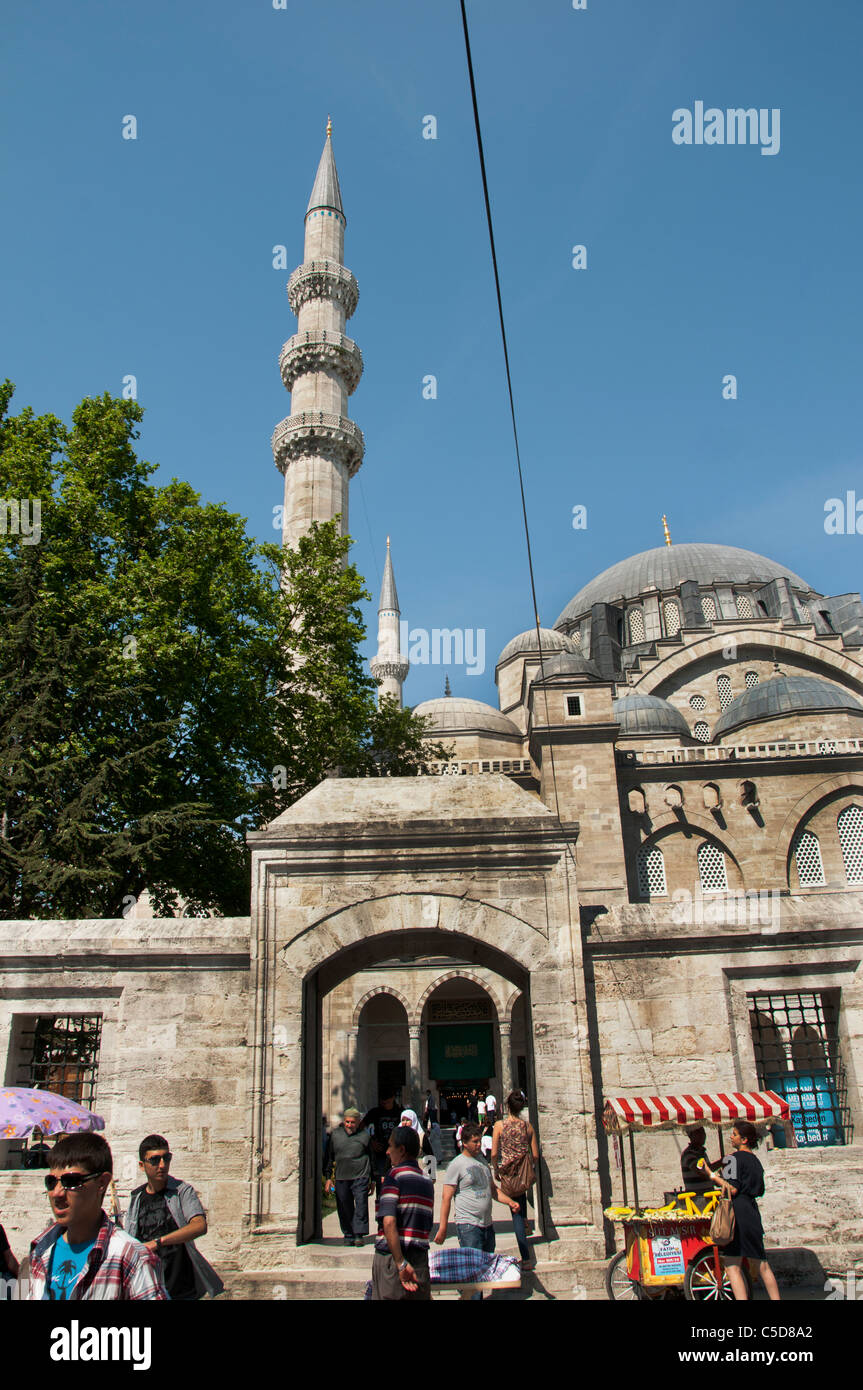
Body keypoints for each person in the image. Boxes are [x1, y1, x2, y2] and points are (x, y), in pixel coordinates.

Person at [28, 1133, 166, 1300]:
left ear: (101, 1183)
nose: (57, 1193)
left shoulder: (130, 1257)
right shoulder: (41, 1249)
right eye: (51, 1182)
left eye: (71, 1181)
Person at [125, 1134, 224, 1300]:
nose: (162, 1165)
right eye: (155, 1160)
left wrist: (159, 1242)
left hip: (181, 1287)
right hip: (147, 1287)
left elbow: (199, 1225)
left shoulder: (182, 1191)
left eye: (166, 1158)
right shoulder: (137, 1198)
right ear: (142, 1166)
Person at [703, 1121, 781, 1301]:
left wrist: (711, 1175)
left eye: (735, 1134)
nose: (731, 1137)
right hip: (752, 1212)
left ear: (744, 1139)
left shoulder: (733, 1159)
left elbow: (732, 1188)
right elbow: (760, 1190)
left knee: (732, 1266)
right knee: (762, 1264)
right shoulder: (756, 1161)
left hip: (737, 1213)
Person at [434, 1122, 519, 1258]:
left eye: (479, 1140)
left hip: (487, 1225)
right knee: (474, 1268)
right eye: (475, 1141)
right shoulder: (456, 1164)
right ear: (465, 1143)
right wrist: (443, 1227)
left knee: (487, 1267)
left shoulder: (483, 1162)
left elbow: (493, 1190)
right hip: (468, 1226)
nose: (479, 1144)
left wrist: (510, 1202)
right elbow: (446, 1198)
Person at [370, 1125, 435, 1301]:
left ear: (402, 1150)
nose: (387, 1152)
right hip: (419, 1261)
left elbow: (389, 1222)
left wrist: (400, 1263)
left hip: (393, 1259)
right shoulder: (427, 1181)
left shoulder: (394, 1176)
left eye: (390, 1146)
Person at [491, 1090, 540, 1270]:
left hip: (508, 1174)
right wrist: (528, 1165)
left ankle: (526, 1257)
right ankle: (526, 1225)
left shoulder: (499, 1126)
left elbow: (495, 1152)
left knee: (516, 1211)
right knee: (521, 1199)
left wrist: (496, 1168)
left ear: (507, 1106)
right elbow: (535, 1154)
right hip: (523, 1172)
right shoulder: (527, 1126)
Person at [324, 1108, 372, 1246]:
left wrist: (373, 1179)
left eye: (352, 1122)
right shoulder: (335, 1136)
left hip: (360, 1175)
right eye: (347, 1122)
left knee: (361, 1204)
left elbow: (371, 1158)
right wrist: (328, 1178)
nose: (349, 1125)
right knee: (344, 1205)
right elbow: (329, 1157)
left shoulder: (365, 1136)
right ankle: (348, 1233)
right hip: (341, 1176)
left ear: (358, 1122)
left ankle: (359, 1234)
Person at [361, 1092, 402, 1201]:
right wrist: (371, 1141)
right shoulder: (375, 1112)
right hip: (380, 1155)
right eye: (383, 1102)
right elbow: (361, 1127)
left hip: (396, 1155)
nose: (385, 1104)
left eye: (387, 1102)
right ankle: (381, 1212)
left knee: (398, 1182)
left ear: (393, 1098)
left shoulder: (399, 1113)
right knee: (381, 1184)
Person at [680, 1125, 718, 1193]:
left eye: (703, 1132)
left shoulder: (702, 1153)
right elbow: (700, 1170)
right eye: (698, 1133)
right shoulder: (689, 1154)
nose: (702, 1135)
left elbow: (707, 1172)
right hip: (697, 1197)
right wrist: (721, 1162)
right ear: (691, 1136)